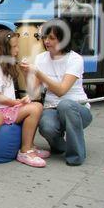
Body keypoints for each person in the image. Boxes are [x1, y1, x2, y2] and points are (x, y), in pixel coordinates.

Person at [20, 19, 93, 166]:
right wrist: (26, 73)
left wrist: (37, 72)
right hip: (51, 108)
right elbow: (34, 93)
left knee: (65, 105)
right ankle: (60, 146)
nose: (46, 41)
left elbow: (61, 91)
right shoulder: (41, 58)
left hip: (78, 108)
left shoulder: (75, 59)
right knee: (46, 126)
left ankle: (76, 156)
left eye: (51, 38)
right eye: (45, 37)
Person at [0, 30, 48, 167]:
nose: (18, 50)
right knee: (35, 108)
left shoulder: (5, 65)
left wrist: (26, 74)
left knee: (35, 105)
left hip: (5, 108)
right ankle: (25, 151)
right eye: (14, 47)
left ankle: (30, 145)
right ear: (3, 49)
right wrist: (16, 102)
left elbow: (31, 91)